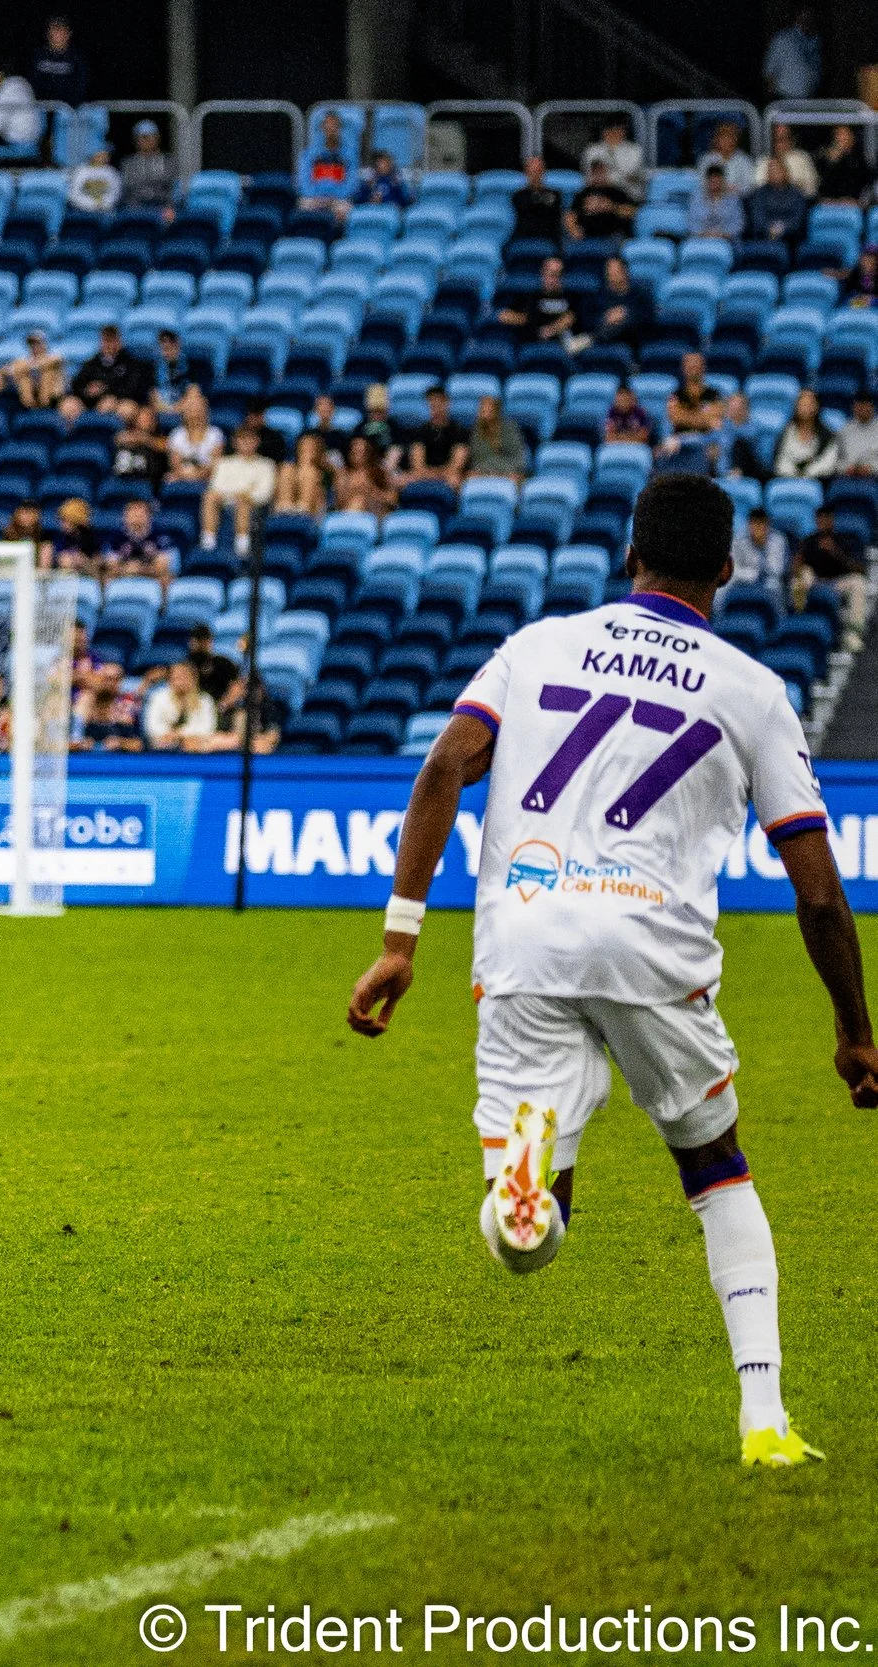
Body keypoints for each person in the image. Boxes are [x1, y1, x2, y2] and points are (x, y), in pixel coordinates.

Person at [348, 472, 872, 1470]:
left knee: (529, 1240)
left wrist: (398, 939)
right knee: (715, 1167)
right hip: (654, 954)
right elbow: (815, 889)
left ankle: (530, 1185)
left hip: (527, 939)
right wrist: (853, 1028)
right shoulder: (752, 690)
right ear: (725, 569)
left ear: (628, 551)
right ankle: (761, 1417)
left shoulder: (533, 646)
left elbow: (439, 770)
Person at [794, 505, 867, 641]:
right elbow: (796, 569)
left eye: (826, 518)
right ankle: (800, 620)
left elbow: (860, 569)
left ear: (832, 520)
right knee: (802, 576)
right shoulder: (809, 541)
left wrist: (835, 552)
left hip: (838, 582)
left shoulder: (843, 540)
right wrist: (798, 561)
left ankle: (853, 632)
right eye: (820, 519)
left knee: (859, 583)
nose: (823, 522)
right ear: (816, 521)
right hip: (816, 581)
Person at [201, 424, 277, 553]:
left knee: (243, 501)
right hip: (225, 502)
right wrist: (244, 490)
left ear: (257, 441)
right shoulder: (224, 463)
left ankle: (242, 545)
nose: (246, 443)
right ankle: (208, 541)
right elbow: (217, 487)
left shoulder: (266, 465)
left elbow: (265, 493)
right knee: (209, 496)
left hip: (255, 506)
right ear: (235, 442)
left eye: (250, 439)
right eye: (243, 439)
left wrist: (243, 495)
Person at [70, 324, 151, 413]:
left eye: (111, 341)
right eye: (105, 341)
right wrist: (87, 390)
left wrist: (105, 389)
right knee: (69, 404)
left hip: (119, 401)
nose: (108, 345)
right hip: (90, 401)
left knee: (115, 406)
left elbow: (132, 389)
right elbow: (77, 383)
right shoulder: (92, 362)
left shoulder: (130, 363)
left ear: (119, 342)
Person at [142, 657, 215, 751]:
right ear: (170, 679)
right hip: (162, 742)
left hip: (196, 743)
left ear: (193, 678)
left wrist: (180, 734)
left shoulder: (205, 700)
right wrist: (170, 735)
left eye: (184, 676)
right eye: (176, 677)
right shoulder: (158, 697)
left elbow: (207, 727)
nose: (180, 681)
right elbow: (152, 726)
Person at [403, 386, 470, 487]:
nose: (436, 408)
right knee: (402, 480)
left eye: (439, 403)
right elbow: (417, 464)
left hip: (449, 475)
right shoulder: (419, 431)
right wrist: (431, 474)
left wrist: (439, 474)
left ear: (447, 403)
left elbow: (457, 464)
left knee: (455, 479)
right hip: (425, 473)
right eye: (432, 404)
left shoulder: (460, 431)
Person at [0, 331, 64, 410]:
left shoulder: (54, 357)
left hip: (53, 396)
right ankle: (30, 405)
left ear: (45, 344)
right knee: (23, 377)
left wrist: (29, 366)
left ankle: (44, 404)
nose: (35, 347)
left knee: (48, 373)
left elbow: (54, 361)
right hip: (29, 395)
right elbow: (9, 370)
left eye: (38, 343)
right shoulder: (23, 361)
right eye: (32, 344)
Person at [775, 388, 837, 478]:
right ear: (796, 407)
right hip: (788, 478)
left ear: (817, 406)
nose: (806, 408)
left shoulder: (827, 434)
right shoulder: (786, 432)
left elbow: (828, 462)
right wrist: (793, 474)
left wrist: (807, 474)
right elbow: (781, 460)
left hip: (818, 480)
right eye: (802, 404)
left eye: (809, 404)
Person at [764, 5, 821, 101]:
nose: (808, 18)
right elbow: (770, 69)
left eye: (811, 15)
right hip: (786, 97)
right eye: (805, 14)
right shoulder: (783, 38)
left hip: (810, 97)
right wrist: (771, 98)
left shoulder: (815, 40)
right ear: (797, 16)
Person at [467, 395, 529, 481]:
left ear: (496, 409)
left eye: (487, 406)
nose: (483, 410)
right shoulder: (476, 431)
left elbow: (518, 457)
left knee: (516, 479)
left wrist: (502, 472)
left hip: (508, 471)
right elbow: (476, 458)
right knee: (470, 477)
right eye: (481, 407)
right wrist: (488, 472)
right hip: (484, 472)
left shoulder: (509, 428)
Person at [509, 155, 565, 245]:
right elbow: (525, 214)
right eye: (532, 172)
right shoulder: (518, 196)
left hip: (548, 238)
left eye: (538, 171)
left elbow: (554, 220)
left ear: (543, 172)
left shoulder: (555, 194)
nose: (535, 175)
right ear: (526, 173)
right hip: (523, 237)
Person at [119, 120, 174, 211]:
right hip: (134, 207)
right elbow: (127, 188)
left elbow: (174, 188)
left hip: (162, 206)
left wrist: (171, 207)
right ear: (136, 140)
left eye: (150, 137)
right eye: (143, 138)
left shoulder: (168, 161)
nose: (146, 141)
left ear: (157, 138)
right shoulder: (128, 163)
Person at [731, 506, 788, 589]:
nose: (758, 528)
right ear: (749, 524)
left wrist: (761, 544)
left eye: (761, 523)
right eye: (755, 523)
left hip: (770, 584)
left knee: (775, 585)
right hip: (744, 582)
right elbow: (734, 570)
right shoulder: (738, 541)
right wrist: (753, 574)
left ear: (768, 524)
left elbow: (777, 570)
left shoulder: (778, 540)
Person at [689, 166, 744, 241]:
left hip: (728, 239)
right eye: (712, 180)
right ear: (706, 181)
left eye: (717, 180)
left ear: (723, 181)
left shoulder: (733, 199)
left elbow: (738, 224)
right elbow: (692, 222)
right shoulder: (696, 199)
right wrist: (704, 234)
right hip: (700, 238)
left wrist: (723, 234)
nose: (715, 184)